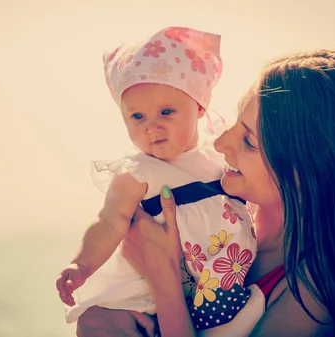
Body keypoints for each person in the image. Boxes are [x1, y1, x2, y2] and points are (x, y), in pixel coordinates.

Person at [120, 49, 335, 336]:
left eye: (248, 141)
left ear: (306, 171)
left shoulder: (318, 289)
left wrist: (163, 282)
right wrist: (101, 313)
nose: (219, 144)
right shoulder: (217, 209)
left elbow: (164, 280)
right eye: (234, 124)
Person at [55, 26, 262, 336]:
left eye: (166, 112)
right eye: (137, 117)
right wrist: (82, 264)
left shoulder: (220, 163)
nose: (152, 126)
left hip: (204, 290)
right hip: (140, 296)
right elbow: (109, 223)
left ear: (200, 106)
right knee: (98, 326)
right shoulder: (137, 172)